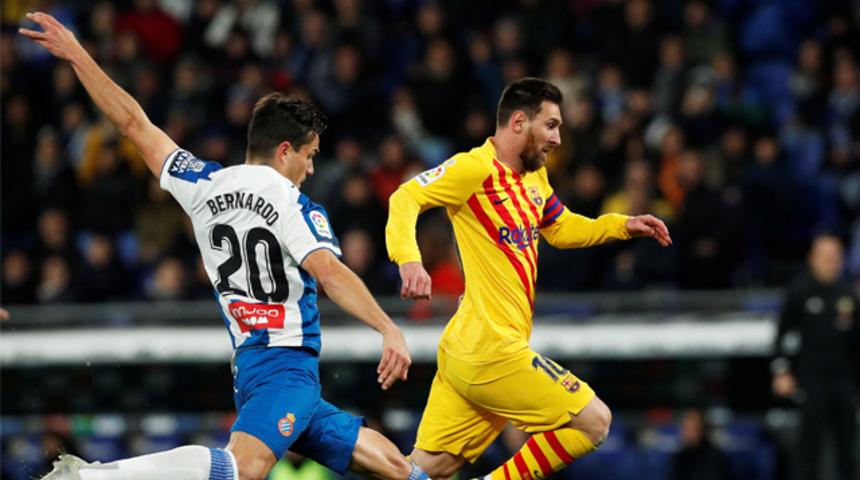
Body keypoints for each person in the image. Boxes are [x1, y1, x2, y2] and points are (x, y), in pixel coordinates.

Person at [20, 12, 427, 480]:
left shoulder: (204, 183)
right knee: (244, 468)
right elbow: (331, 274)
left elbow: (133, 122)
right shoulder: (295, 204)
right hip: (285, 364)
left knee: (390, 465)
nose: (312, 170)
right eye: (310, 156)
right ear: (285, 151)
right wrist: (387, 329)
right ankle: (94, 477)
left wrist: (77, 55)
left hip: (255, 367)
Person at [385, 77, 672, 480]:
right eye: (551, 125)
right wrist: (409, 259)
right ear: (519, 122)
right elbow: (404, 197)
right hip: (490, 349)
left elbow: (562, 227)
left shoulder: (535, 177)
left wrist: (622, 225)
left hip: (470, 347)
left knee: (423, 471)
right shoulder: (474, 168)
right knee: (594, 421)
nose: (558, 138)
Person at [771, 233, 859, 480]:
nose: (830, 262)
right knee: (808, 448)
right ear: (813, 259)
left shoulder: (847, 296)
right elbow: (781, 337)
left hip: (844, 382)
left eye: (835, 257)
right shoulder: (799, 293)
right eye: (825, 257)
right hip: (811, 381)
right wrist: (782, 371)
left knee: (847, 448)